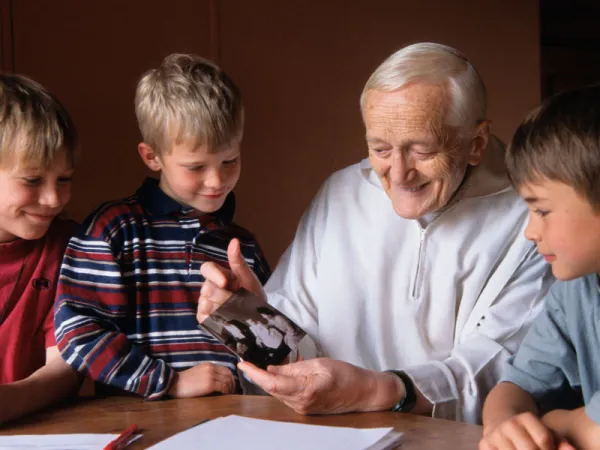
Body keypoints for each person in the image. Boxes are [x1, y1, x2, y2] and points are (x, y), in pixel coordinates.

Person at [197, 42, 553, 423]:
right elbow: (300, 348)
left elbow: (503, 370)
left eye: (421, 150)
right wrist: (256, 323)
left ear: (476, 144)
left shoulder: (532, 216)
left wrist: (378, 390)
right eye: (380, 148)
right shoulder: (341, 193)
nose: (398, 174)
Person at [54, 54, 270, 400]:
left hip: (235, 423)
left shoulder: (241, 245)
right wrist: (171, 382)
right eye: (195, 167)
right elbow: (76, 329)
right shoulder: (114, 230)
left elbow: (268, 355)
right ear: (152, 157)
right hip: (141, 425)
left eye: (230, 160)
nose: (217, 180)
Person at [479, 86, 600, 449]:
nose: (531, 232)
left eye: (542, 210)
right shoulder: (573, 291)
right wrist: (506, 426)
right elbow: (514, 388)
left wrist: (560, 422)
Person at [0, 73, 81, 423]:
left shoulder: (70, 248)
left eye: (64, 180)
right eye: (32, 180)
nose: (53, 199)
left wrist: (10, 402)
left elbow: (66, 369)